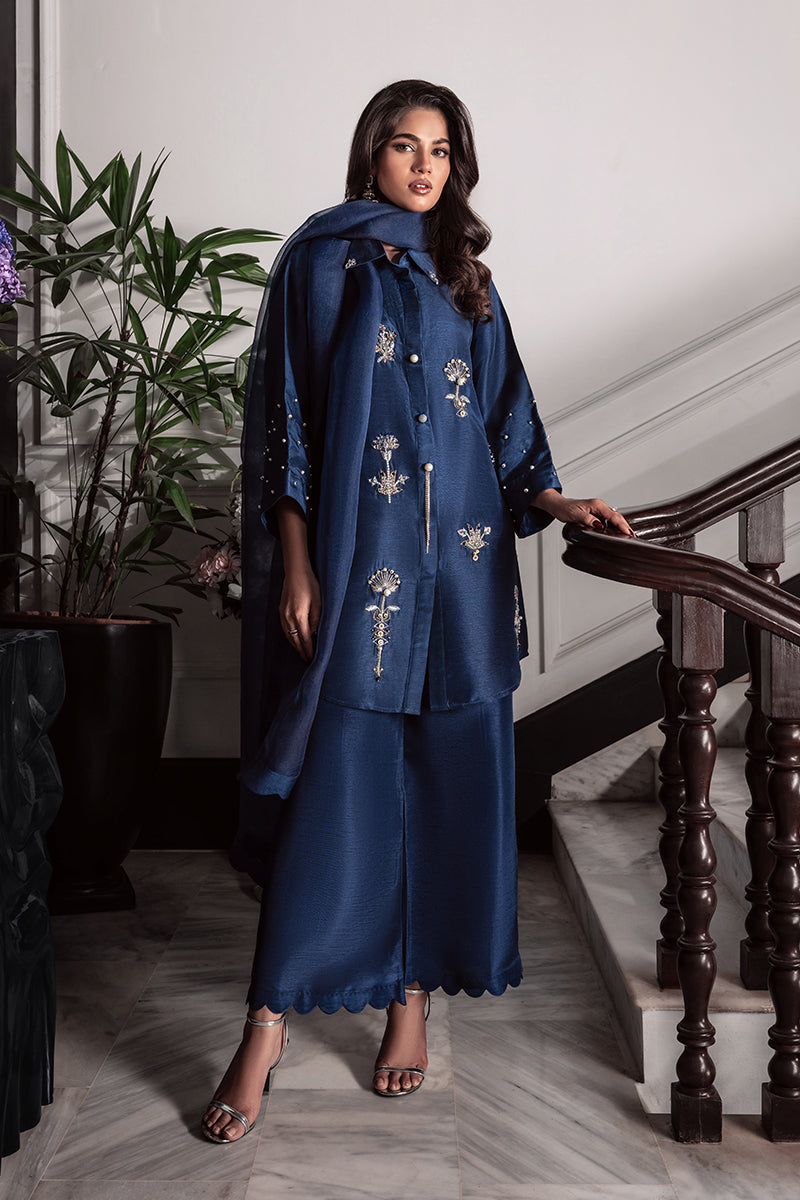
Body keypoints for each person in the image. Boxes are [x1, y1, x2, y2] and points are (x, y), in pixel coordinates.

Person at [202, 79, 633, 1144]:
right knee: (335, 794)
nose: (424, 165)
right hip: (363, 571)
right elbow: (290, 425)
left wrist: (556, 498)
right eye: (405, 145)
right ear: (371, 155)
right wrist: (297, 567)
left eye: (441, 150)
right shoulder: (322, 262)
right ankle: (266, 1023)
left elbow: (504, 418)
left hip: (465, 575)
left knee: (446, 787)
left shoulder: (464, 272)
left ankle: (409, 1001)